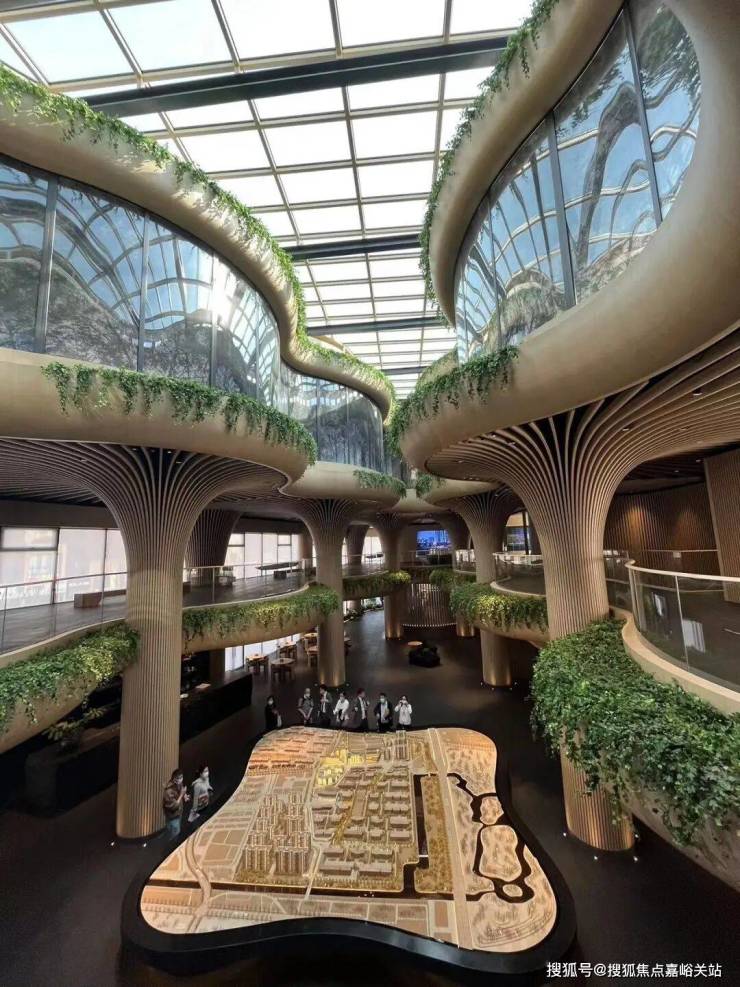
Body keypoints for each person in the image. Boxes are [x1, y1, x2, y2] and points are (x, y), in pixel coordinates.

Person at [162, 768, 189, 840]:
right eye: (178, 778)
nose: (180, 780)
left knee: (177, 833)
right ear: (174, 779)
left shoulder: (179, 784)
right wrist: (181, 794)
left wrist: (185, 796)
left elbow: (181, 790)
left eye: (181, 777)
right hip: (172, 818)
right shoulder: (168, 791)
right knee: (174, 837)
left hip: (178, 814)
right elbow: (173, 807)